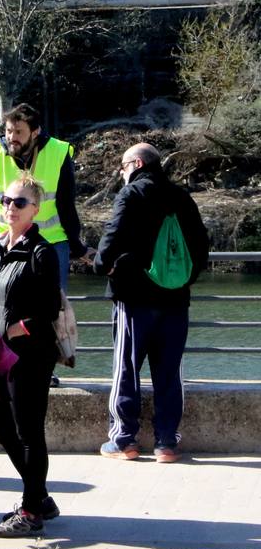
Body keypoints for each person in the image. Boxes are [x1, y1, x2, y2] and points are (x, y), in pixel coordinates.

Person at [95, 143, 210, 463]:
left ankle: (124, 441)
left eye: (123, 167)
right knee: (169, 372)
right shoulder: (182, 197)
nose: (121, 173)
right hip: (175, 300)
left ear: (137, 163)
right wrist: (184, 281)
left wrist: (101, 266)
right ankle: (166, 443)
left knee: (126, 369)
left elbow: (111, 239)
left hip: (133, 300)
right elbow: (201, 247)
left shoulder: (132, 194)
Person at [0, 173, 63, 538]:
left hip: (29, 354)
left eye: (19, 203)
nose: (9, 208)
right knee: (2, 427)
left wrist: (15, 328)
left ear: (35, 209)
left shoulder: (41, 252)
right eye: (5, 200)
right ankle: (40, 495)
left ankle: (31, 511)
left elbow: (48, 308)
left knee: (28, 430)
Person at [0, 103, 87, 289]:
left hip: (52, 242)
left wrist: (77, 246)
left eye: (19, 132)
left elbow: (66, 205)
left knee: (54, 306)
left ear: (35, 132)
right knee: (1, 302)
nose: (12, 137)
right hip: (6, 240)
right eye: (9, 131)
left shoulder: (59, 152)